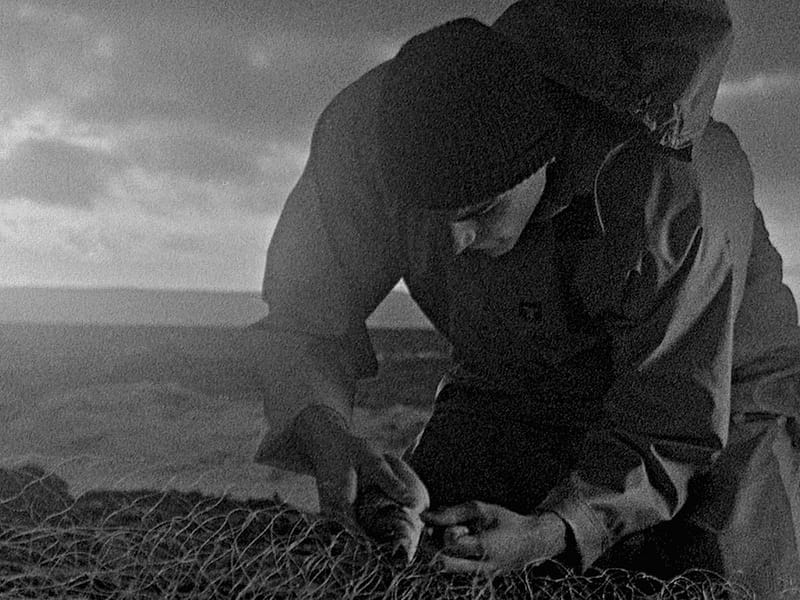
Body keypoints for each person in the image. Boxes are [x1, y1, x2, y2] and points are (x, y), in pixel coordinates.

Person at [252, 2, 800, 596]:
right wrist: (327, 436)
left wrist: (553, 531)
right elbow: (304, 321)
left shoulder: (674, 193)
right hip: (513, 376)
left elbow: (673, 422)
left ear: (550, 159)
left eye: (480, 212)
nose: (452, 246)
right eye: (426, 219)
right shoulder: (366, 138)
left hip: (719, 396)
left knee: (727, 579)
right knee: (422, 551)